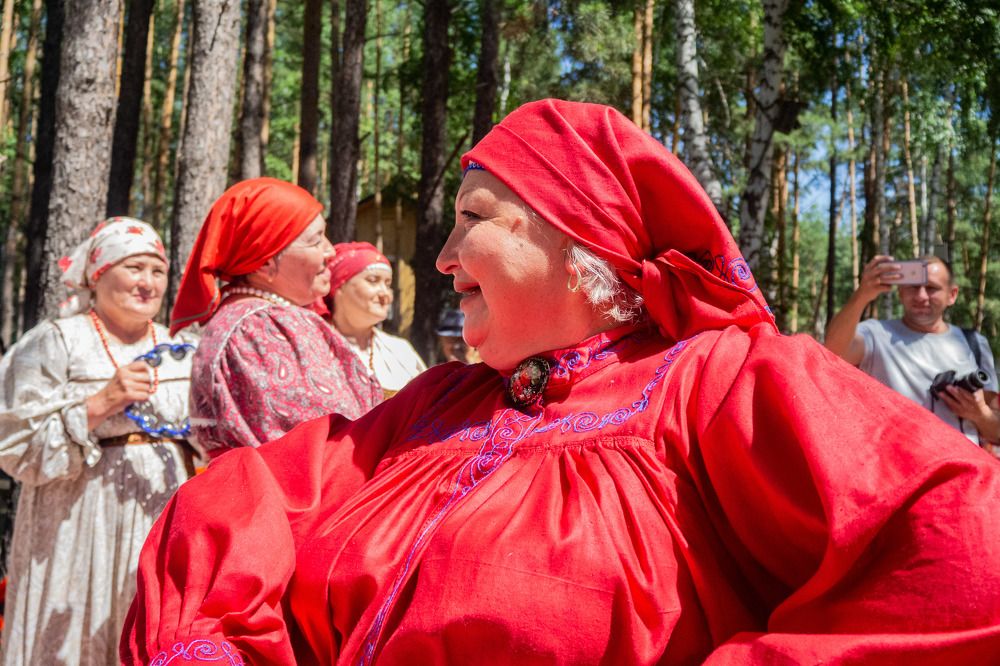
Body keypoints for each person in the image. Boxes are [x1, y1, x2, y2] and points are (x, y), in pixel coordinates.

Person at [122, 100, 1000, 665]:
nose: (443, 255)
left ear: (581, 246)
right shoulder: (434, 406)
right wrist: (208, 646)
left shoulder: (718, 380)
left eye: (473, 220)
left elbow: (962, 547)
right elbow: (239, 506)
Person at [0, 217, 197, 665]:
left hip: (159, 515)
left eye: (157, 270)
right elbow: (12, 440)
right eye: (134, 267)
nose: (147, 282)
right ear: (99, 273)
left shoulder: (180, 351)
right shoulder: (55, 341)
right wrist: (100, 402)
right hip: (77, 519)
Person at [170, 178, 381, 458]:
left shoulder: (245, 317)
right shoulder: (263, 326)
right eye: (316, 240)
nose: (331, 251)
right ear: (266, 260)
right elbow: (328, 442)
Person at [825, 254, 1000, 450]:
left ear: (952, 295)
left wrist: (979, 414)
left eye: (932, 288)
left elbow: (996, 433)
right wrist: (862, 294)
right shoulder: (875, 334)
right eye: (913, 287)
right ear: (900, 292)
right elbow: (832, 352)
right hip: (898, 472)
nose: (921, 296)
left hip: (964, 473)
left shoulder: (974, 343)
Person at [325, 242, 427, 399]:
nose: (384, 293)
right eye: (373, 280)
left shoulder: (400, 350)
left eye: (388, 284)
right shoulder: (316, 345)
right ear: (339, 286)